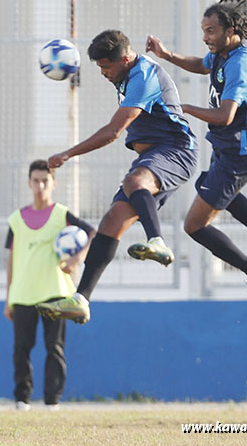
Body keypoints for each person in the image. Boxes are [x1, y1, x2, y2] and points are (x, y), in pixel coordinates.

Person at [37, 30, 198, 324]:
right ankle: (81, 299)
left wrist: (68, 154)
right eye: (99, 67)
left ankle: (158, 242)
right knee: (111, 221)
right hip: (153, 156)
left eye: (106, 67)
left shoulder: (144, 76)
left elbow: (113, 132)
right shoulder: (125, 74)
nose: (103, 73)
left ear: (124, 59)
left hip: (176, 150)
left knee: (135, 181)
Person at [146, 1, 247, 312]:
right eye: (203, 31)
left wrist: (182, 108)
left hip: (239, 153)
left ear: (230, 31)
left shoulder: (240, 64)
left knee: (194, 225)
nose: (206, 37)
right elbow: (203, 64)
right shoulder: (224, 53)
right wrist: (167, 55)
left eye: (211, 31)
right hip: (228, 148)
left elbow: (224, 115)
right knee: (207, 186)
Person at [5, 160, 95, 410]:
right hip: (23, 293)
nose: (40, 185)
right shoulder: (16, 220)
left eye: (45, 181)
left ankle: (52, 401)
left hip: (56, 293)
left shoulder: (62, 214)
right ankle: (22, 400)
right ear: (29, 183)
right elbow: (11, 259)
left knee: (54, 348)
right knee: (21, 349)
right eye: (36, 180)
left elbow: (92, 233)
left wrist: (76, 259)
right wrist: (8, 298)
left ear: (53, 183)